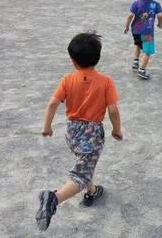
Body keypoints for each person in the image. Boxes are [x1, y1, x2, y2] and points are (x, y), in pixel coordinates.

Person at [36, 32, 122, 231]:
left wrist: (46, 127)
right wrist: (116, 130)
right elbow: (113, 110)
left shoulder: (67, 79)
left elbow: (52, 104)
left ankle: (91, 192)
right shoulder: (106, 81)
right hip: (92, 133)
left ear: (72, 61)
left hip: (72, 132)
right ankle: (53, 199)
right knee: (81, 174)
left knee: (85, 163)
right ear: (98, 57)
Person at [123, 0, 162, 80]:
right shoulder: (156, 4)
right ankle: (142, 70)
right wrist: (159, 24)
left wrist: (127, 26)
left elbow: (129, 16)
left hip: (135, 30)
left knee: (138, 44)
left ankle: (136, 61)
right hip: (147, 33)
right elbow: (160, 16)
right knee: (147, 51)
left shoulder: (136, 3)